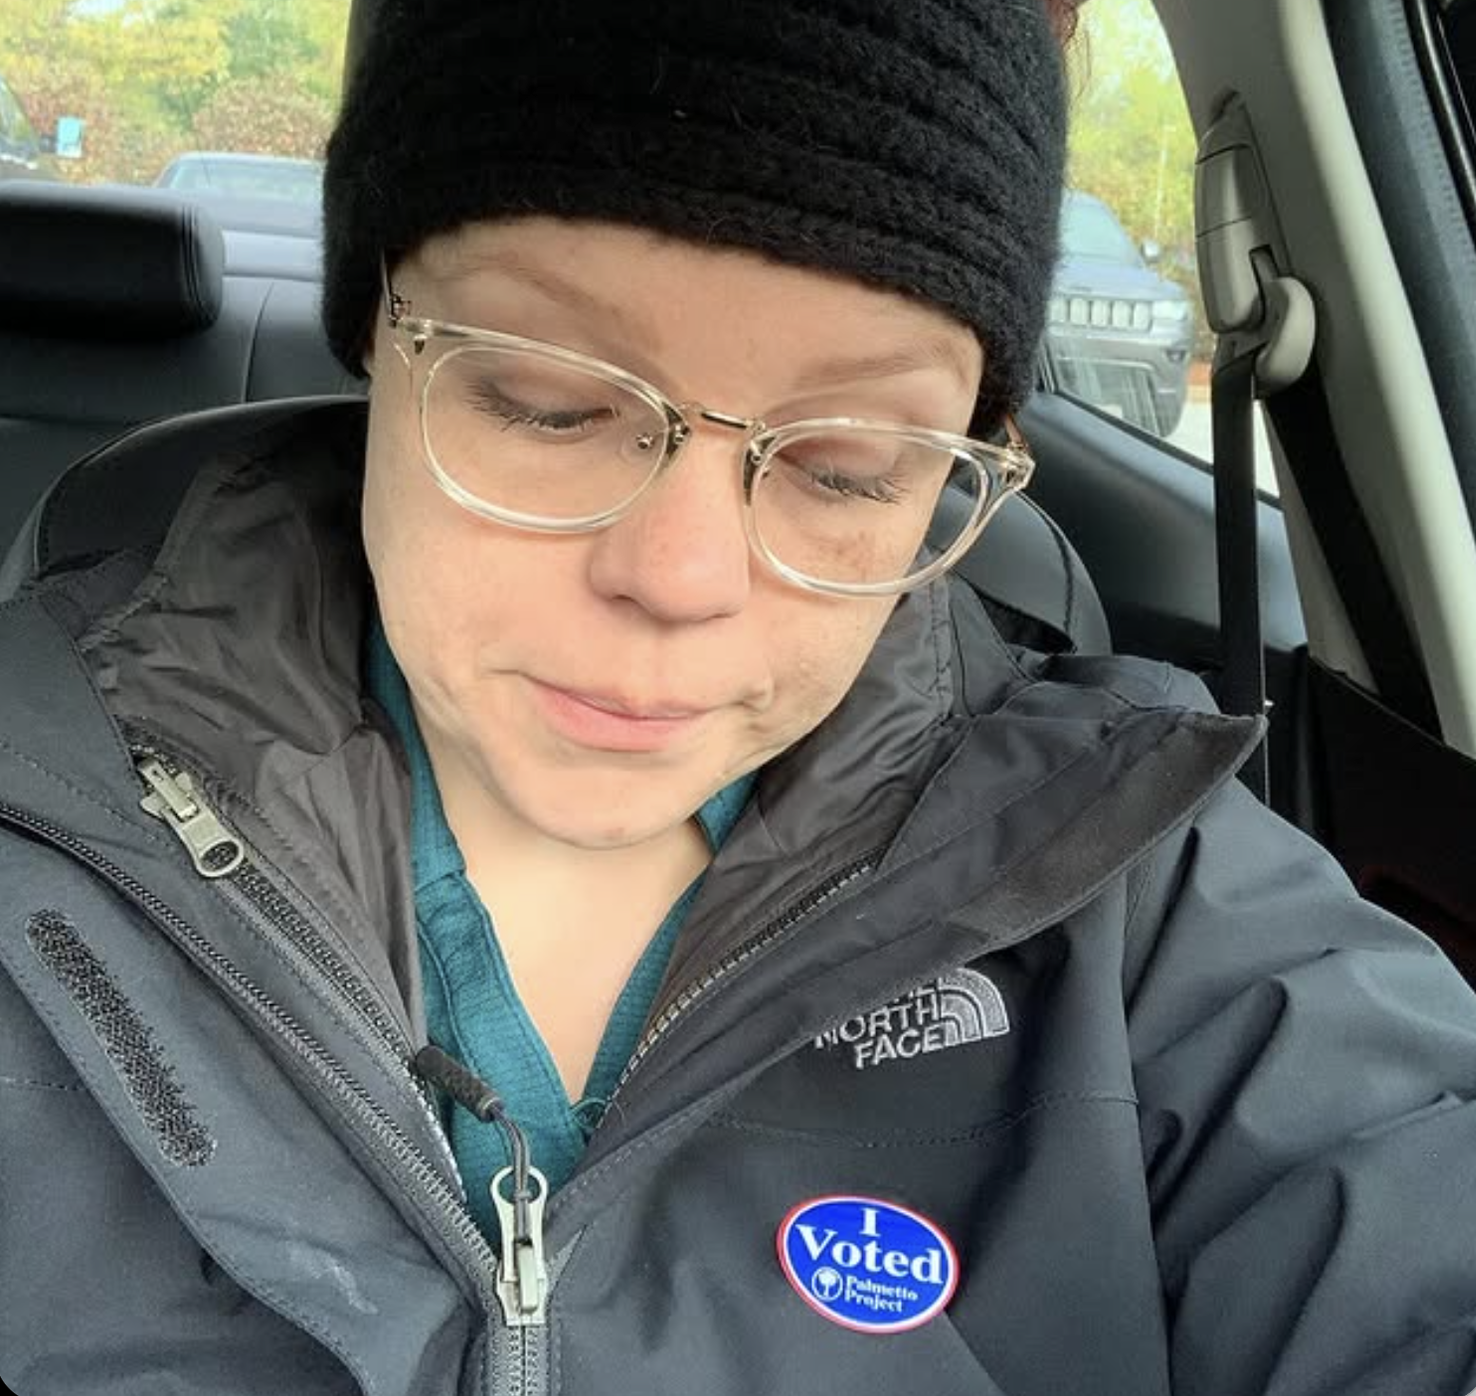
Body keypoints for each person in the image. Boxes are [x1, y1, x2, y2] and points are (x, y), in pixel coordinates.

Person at [2, 0, 1475, 1393]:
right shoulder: (35, 821)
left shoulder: (1136, 893)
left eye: (849, 468)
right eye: (548, 402)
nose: (684, 574)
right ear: (379, 337)